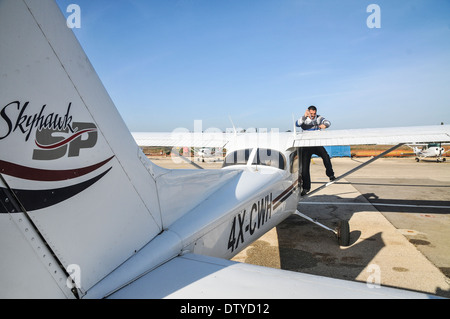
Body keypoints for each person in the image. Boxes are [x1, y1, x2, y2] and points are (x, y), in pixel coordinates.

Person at [296, 105, 336, 196]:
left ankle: (330, 174)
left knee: (326, 156)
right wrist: (304, 116)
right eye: (311, 113)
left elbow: (328, 122)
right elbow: (297, 124)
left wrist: (325, 125)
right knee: (305, 169)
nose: (313, 115)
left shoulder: (319, 118)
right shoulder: (304, 119)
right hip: (306, 146)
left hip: (316, 144)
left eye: (314, 113)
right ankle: (306, 188)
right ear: (308, 112)